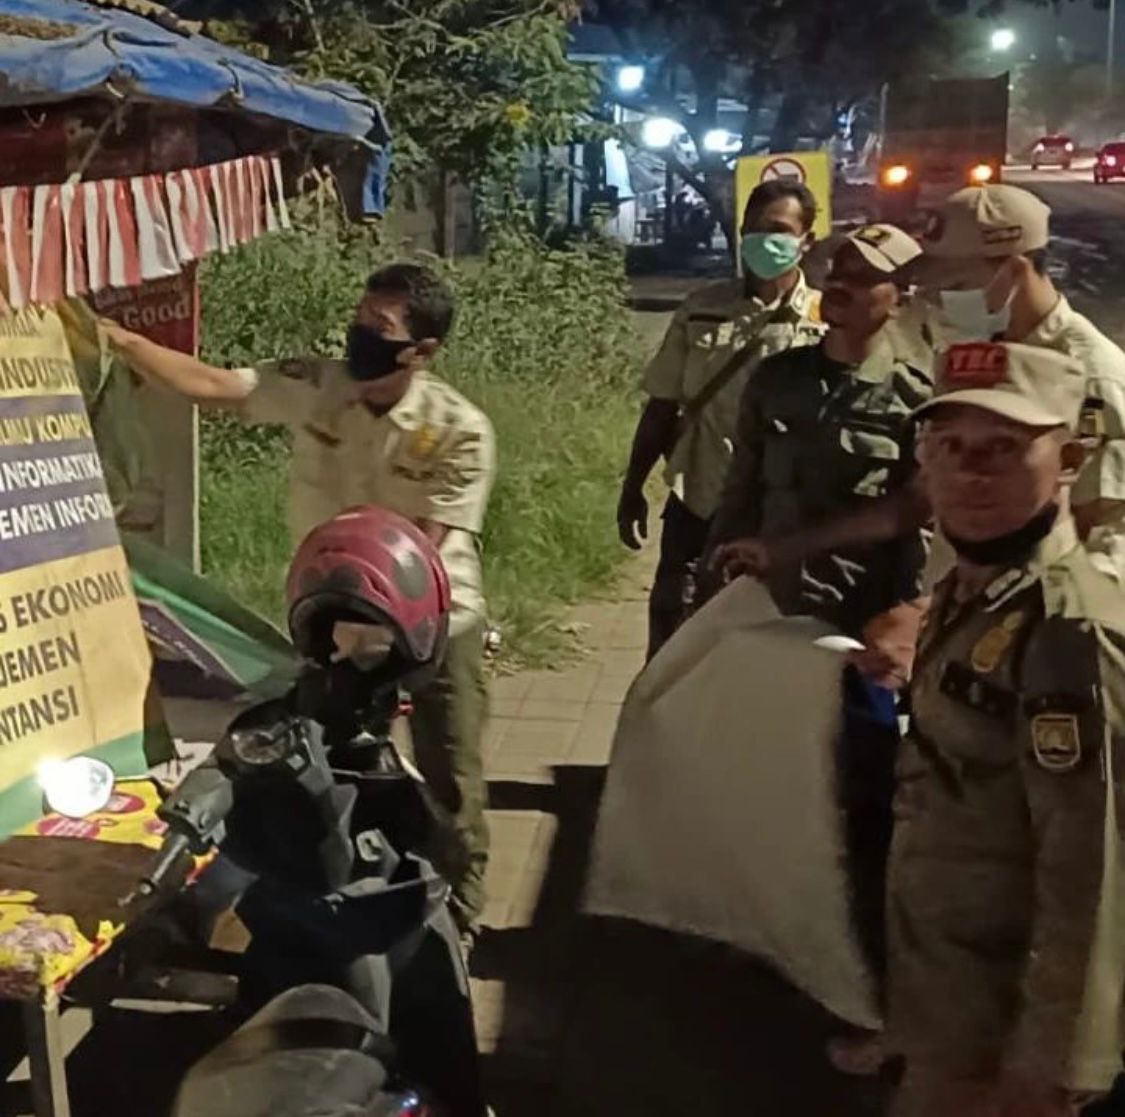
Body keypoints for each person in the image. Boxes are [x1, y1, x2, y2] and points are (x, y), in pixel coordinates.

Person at [101, 263, 496, 936]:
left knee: (449, 776)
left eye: (382, 327)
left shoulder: (459, 430)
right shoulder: (321, 387)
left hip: (433, 619)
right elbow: (213, 386)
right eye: (361, 316)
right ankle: (334, 895)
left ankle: (460, 914)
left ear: (421, 351)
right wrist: (114, 339)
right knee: (318, 763)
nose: (360, 334)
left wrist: (372, 646)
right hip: (333, 616)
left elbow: (417, 552)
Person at [887, 339, 1125, 1117]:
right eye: (948, 446)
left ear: (1067, 458)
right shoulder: (968, 588)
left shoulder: (1067, 629)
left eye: (1002, 448)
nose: (970, 471)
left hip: (1004, 1036)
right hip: (945, 1002)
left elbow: (1087, 867)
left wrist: (1050, 1064)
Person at [702, 223, 934, 1019]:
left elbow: (923, 522)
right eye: (836, 268)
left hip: (857, 630)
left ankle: (859, 973)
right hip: (770, 618)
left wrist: (910, 615)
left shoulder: (916, 396)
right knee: (764, 783)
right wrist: (710, 574)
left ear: (899, 296)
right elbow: (741, 490)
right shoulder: (778, 378)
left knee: (861, 800)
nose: (839, 282)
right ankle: (765, 938)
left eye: (862, 275)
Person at [719, 182, 1125, 587]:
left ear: (1016, 271)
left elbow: (1111, 549)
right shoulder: (974, 353)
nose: (938, 300)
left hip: (1033, 628)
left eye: (957, 285)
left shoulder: (1092, 376)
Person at [618, 179, 825, 660]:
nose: (763, 241)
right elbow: (662, 406)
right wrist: (632, 489)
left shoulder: (825, 320)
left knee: (762, 652)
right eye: (753, 230)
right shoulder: (702, 310)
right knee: (671, 649)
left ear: (806, 240)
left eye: (778, 230)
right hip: (698, 502)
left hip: (782, 514)